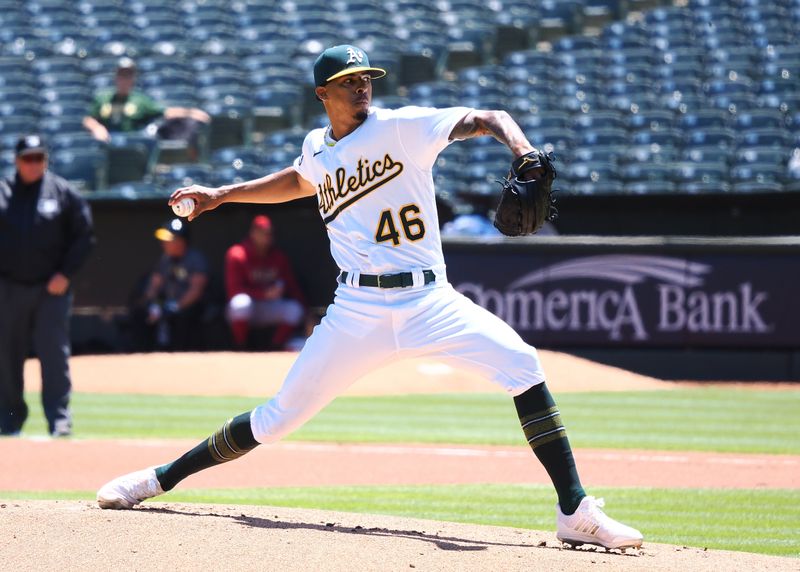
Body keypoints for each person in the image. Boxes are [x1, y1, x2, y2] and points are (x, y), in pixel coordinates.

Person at [97, 45, 643, 550]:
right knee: (277, 419)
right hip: (355, 311)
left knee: (523, 364)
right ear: (322, 94)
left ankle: (574, 511)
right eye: (347, 81)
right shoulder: (317, 146)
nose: (361, 87)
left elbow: (489, 117)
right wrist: (220, 195)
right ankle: (157, 479)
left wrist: (522, 150)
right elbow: (298, 179)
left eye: (365, 79)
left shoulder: (401, 128)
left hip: (430, 301)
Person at [0, 135, 95, 437]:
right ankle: (9, 418)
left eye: (39, 158)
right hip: (9, 287)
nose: (33, 164)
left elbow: (84, 237)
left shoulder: (63, 192)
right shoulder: (3, 192)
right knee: (6, 355)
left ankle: (59, 418)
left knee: (54, 354)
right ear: (16, 161)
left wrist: (65, 274)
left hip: (50, 289)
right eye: (28, 158)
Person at [82, 57, 210, 149]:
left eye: (128, 75)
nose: (124, 79)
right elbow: (88, 119)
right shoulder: (103, 98)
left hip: (133, 143)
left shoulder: (140, 100)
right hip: (109, 142)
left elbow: (166, 112)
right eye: (122, 75)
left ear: (133, 78)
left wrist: (191, 112)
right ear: (116, 77)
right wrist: (97, 128)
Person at [225, 214, 306, 350]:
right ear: (253, 233)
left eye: (269, 233)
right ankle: (241, 348)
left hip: (268, 306)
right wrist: (263, 294)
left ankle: (274, 348)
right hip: (245, 308)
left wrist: (307, 312)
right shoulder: (237, 254)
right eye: (262, 233)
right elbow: (234, 291)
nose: (266, 237)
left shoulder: (278, 257)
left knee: (294, 309)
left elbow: (292, 286)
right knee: (240, 303)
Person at [130, 219, 209, 352]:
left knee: (181, 318)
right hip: (167, 304)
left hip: (189, 306)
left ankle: (181, 357)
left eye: (169, 239)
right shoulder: (165, 259)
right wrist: (152, 304)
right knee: (141, 313)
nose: (164, 243)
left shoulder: (195, 259)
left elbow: (196, 291)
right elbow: (154, 285)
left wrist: (175, 306)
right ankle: (143, 354)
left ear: (181, 241)